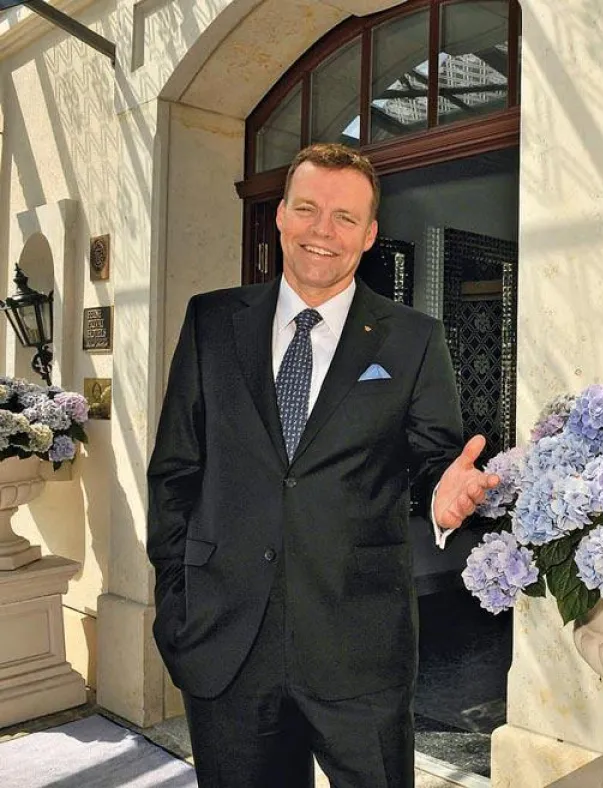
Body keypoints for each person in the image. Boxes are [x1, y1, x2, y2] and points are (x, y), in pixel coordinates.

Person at [147, 142, 498, 788]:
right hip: (226, 646)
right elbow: (174, 472)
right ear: (280, 215)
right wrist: (176, 607)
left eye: (344, 218)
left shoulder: (413, 340)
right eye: (307, 208)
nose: (321, 231)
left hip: (359, 651)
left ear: (369, 235)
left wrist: (447, 491)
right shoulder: (211, 322)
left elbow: (432, 461)